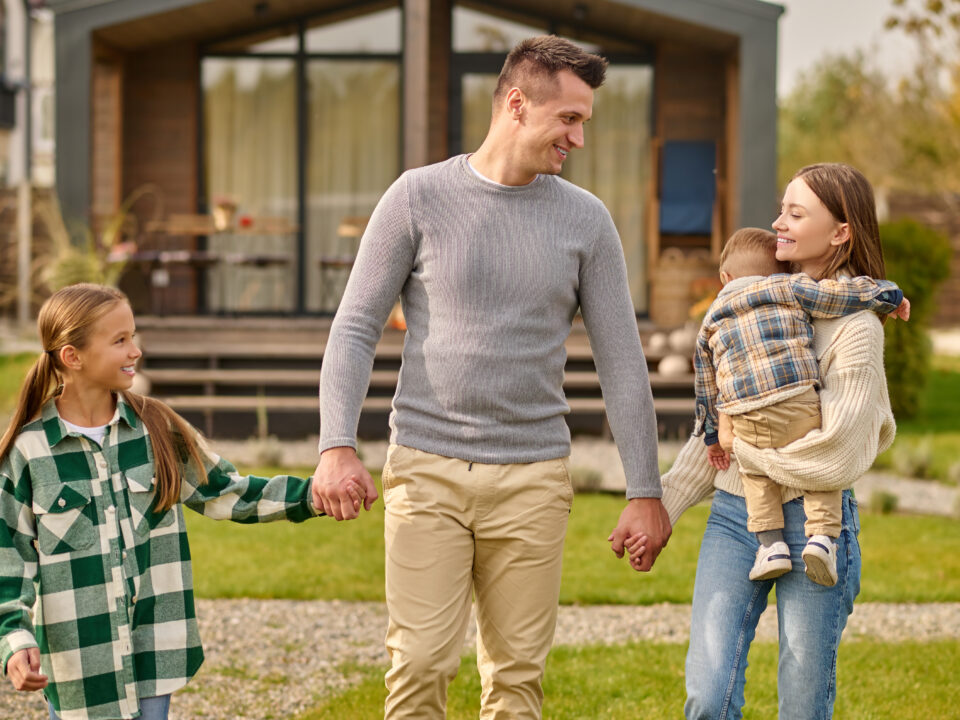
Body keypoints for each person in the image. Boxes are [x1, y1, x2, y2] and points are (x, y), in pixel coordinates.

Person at [313, 35, 668, 719]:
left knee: (515, 685)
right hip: (427, 468)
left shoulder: (586, 222)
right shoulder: (417, 198)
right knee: (418, 665)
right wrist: (336, 444)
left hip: (533, 480)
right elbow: (356, 326)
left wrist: (644, 489)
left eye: (584, 122)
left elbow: (621, 357)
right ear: (516, 104)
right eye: (569, 119)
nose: (579, 139)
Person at [625, 163, 906, 719]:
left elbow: (838, 452)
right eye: (781, 209)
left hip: (817, 526)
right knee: (708, 694)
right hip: (735, 517)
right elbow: (724, 416)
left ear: (841, 231)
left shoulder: (857, 328)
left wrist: (742, 447)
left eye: (795, 214)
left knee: (802, 701)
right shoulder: (752, 303)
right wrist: (664, 506)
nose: (777, 222)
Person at [0, 283, 322, 720]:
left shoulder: (157, 429)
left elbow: (229, 492)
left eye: (133, 335)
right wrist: (15, 641)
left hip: (155, 649)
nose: (135, 350)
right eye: (120, 340)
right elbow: (9, 561)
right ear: (72, 357)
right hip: (80, 661)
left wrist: (317, 494)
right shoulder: (29, 452)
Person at [693, 227, 907, 586]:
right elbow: (839, 297)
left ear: (724, 278)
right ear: (781, 271)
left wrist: (713, 435)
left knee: (755, 475)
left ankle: (770, 546)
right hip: (796, 399)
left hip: (746, 415)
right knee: (820, 467)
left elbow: (706, 386)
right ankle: (823, 538)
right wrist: (887, 295)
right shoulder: (786, 287)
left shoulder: (711, 320)